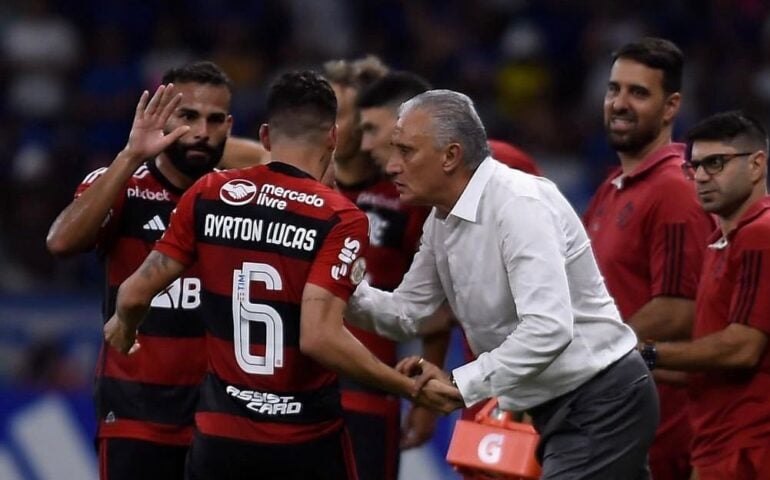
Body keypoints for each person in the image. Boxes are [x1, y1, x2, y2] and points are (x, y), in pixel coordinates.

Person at [102, 70, 452, 480]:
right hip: (304, 437)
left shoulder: (209, 193)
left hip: (221, 436)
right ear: (333, 138)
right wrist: (407, 387)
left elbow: (132, 294)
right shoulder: (337, 216)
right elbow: (319, 336)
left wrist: (125, 328)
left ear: (265, 137)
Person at [345, 89, 659, 479]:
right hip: (561, 405)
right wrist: (336, 283)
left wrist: (461, 384)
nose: (391, 166)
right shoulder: (441, 220)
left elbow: (549, 328)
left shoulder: (519, 204)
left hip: (601, 399)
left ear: (451, 156)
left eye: (406, 151)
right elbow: (406, 312)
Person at [46, 61, 237, 480]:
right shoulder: (124, 184)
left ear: (229, 125)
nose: (202, 132)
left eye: (214, 119)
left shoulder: (239, 200)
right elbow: (61, 242)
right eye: (188, 116)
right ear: (160, 117)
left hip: (220, 418)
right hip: (135, 414)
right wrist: (131, 154)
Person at [644, 111, 770, 479]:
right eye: (694, 167)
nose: (701, 176)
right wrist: (627, 362)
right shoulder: (721, 243)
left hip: (754, 448)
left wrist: (649, 354)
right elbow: (707, 368)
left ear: (756, 165)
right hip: (718, 447)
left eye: (716, 163)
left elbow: (741, 349)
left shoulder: (764, 236)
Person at [581, 37, 713, 480]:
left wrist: (583, 354)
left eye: (638, 93)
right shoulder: (609, 188)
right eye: (614, 89)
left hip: (657, 440)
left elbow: (679, 310)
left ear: (671, 106)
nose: (619, 103)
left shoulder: (675, 189)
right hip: (608, 427)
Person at [323, 60, 439, 479]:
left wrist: (424, 404)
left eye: (342, 114)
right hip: (294, 392)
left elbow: (437, 309)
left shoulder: (408, 197)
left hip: (369, 395)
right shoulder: (298, 187)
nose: (330, 126)